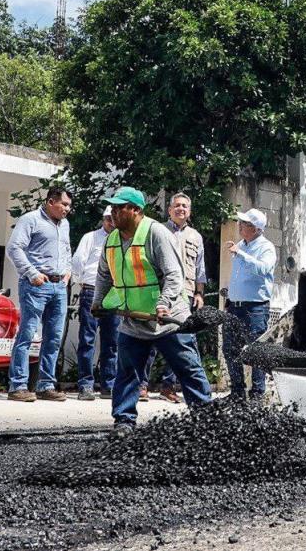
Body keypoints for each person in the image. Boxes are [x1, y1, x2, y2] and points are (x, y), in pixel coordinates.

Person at [92, 186, 212, 435]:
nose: (113, 212)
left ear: (135, 210)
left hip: (168, 320)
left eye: (119, 207)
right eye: (112, 208)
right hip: (133, 319)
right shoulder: (112, 240)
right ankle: (124, 421)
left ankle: (206, 420)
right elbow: (104, 274)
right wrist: (98, 301)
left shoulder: (155, 233)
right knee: (127, 372)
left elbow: (174, 274)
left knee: (188, 369)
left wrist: (164, 303)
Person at [139, 192, 209, 403]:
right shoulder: (157, 231)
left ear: (189, 211)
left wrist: (199, 293)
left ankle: (168, 386)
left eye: (185, 206)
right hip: (159, 293)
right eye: (177, 205)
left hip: (185, 295)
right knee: (151, 339)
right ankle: (142, 386)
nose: (181, 209)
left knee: (182, 342)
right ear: (169, 210)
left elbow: (200, 268)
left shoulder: (196, 236)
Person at [5, 186, 73, 402]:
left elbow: (67, 251)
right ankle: (18, 386)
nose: (67, 209)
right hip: (35, 285)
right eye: (64, 204)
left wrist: (67, 272)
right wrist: (32, 273)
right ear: (51, 201)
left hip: (58, 286)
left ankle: (46, 385)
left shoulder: (65, 224)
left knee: (53, 337)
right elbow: (14, 248)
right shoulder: (30, 219)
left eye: (69, 205)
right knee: (27, 334)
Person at [222, 208, 276, 402]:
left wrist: (241, 255)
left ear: (255, 228)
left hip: (255, 307)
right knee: (230, 348)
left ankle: (257, 394)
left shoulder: (266, 247)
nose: (239, 226)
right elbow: (238, 276)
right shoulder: (241, 245)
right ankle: (237, 392)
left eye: (243, 223)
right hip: (235, 306)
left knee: (256, 350)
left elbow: (264, 269)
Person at [71, 206, 120, 400]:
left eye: (114, 218)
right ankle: (85, 385)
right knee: (88, 339)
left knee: (112, 342)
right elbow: (77, 261)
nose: (111, 222)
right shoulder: (90, 237)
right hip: (92, 290)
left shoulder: (123, 239)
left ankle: (109, 385)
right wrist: (80, 281)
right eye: (108, 218)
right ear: (103, 219)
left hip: (115, 293)